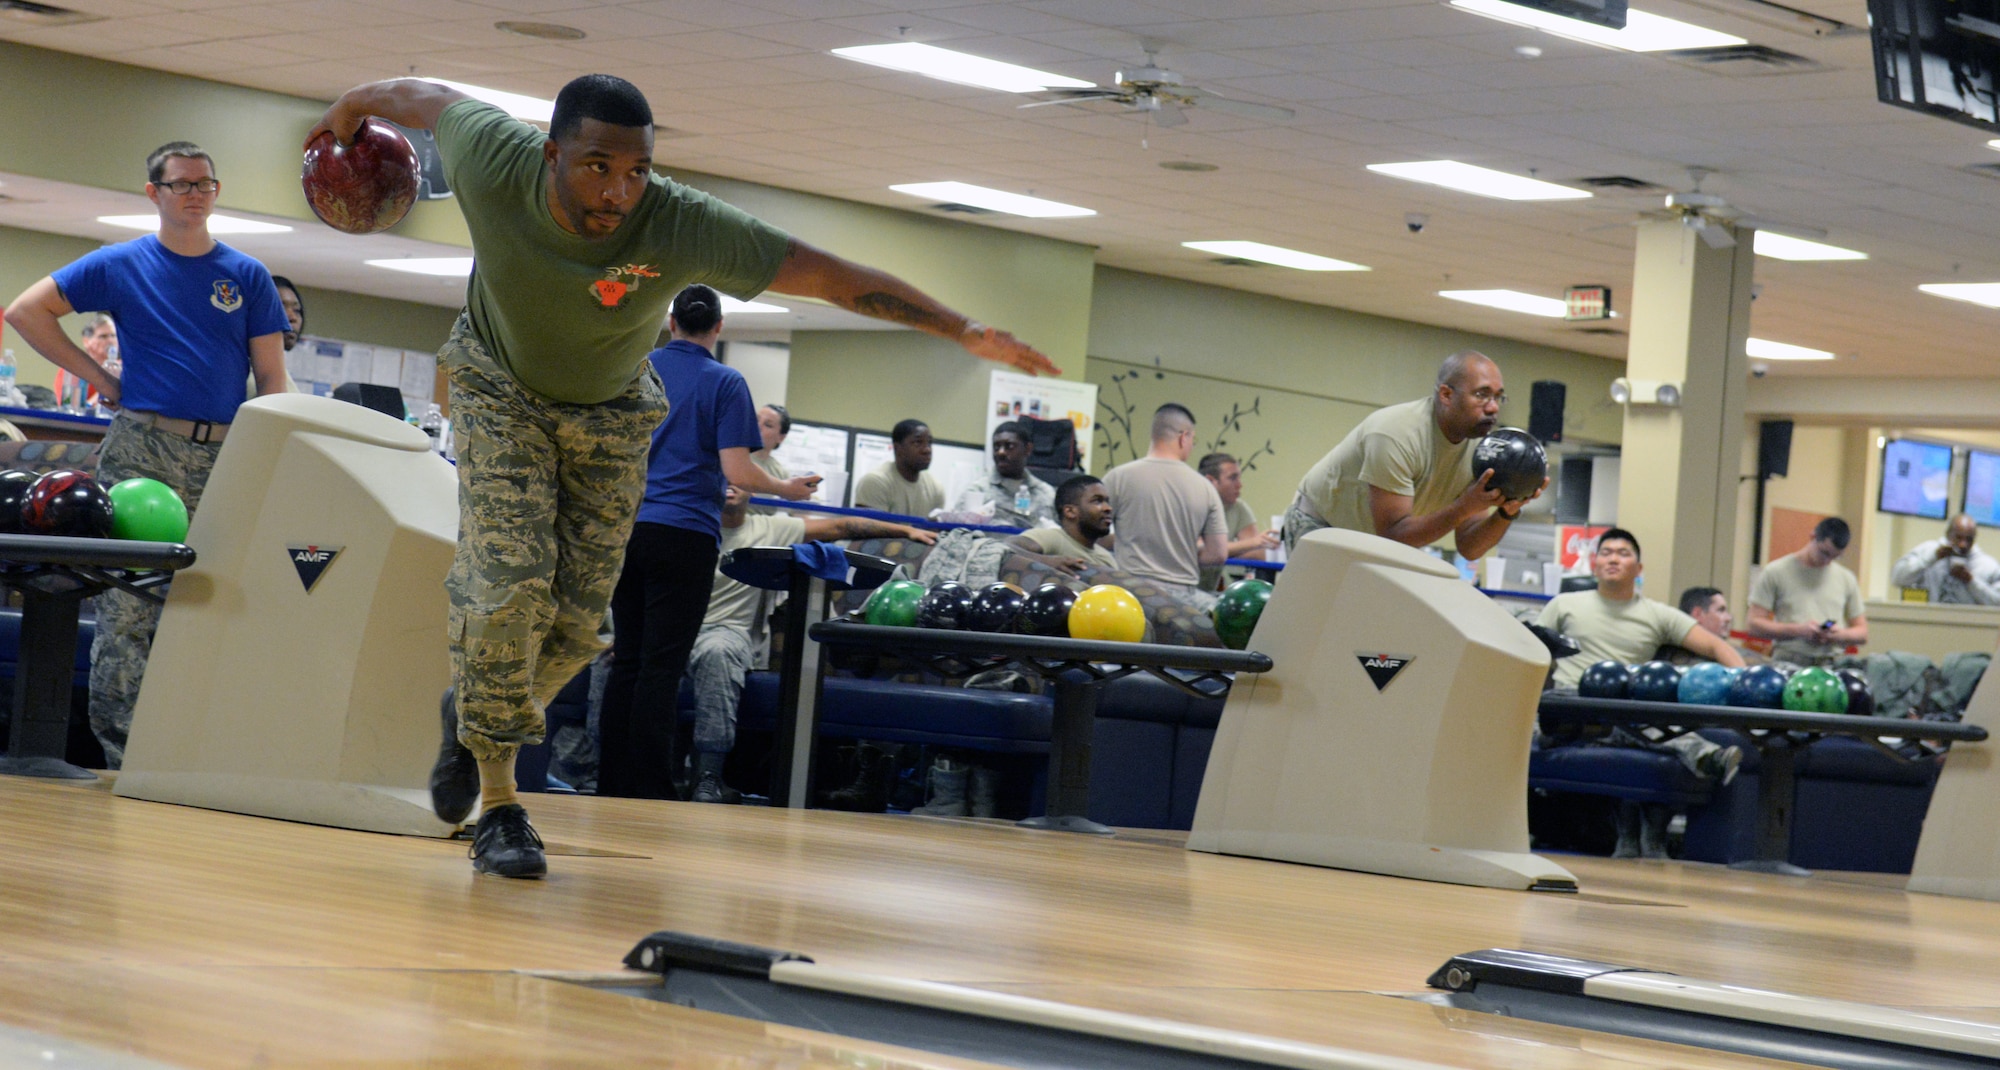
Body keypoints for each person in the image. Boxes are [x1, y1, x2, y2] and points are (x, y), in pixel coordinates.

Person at [310, 74, 1055, 879]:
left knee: (578, 626)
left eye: (637, 171)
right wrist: (348, 112)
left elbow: (825, 274)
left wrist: (959, 327)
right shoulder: (493, 155)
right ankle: (499, 802)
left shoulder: (677, 220)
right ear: (552, 153)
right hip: (500, 391)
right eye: (598, 167)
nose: (619, 192)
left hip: (611, 413)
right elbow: (417, 96)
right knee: (508, 584)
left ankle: (473, 712)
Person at [4, 141, 288, 767]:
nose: (195, 194)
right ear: (154, 193)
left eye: (205, 184)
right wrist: (102, 379)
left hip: (225, 456)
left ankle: (195, 753)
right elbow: (26, 311)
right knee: (129, 609)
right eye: (182, 184)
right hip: (142, 451)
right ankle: (124, 759)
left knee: (213, 602)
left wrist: (274, 457)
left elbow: (272, 379)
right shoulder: (121, 263)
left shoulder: (246, 276)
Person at [597, 285, 821, 801]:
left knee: (627, 658)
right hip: (686, 535)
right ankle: (650, 788)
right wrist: (786, 488)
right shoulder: (725, 382)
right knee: (661, 665)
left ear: (670, 322)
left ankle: (611, 781)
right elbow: (737, 471)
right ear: (719, 328)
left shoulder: (638, 368)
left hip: (628, 529)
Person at [686, 484, 935, 803]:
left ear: (752, 486)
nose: (730, 484)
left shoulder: (771, 529)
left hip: (722, 633)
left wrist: (904, 529)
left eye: (737, 477)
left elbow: (842, 526)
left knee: (717, 653)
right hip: (674, 628)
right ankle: (624, 769)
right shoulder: (688, 526)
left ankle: (708, 775)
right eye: (723, 476)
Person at [1536, 528, 1744, 854]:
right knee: (1623, 722)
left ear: (1639, 568)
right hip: (1570, 706)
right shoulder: (1564, 604)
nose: (1613, 559)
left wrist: (1743, 685)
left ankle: (1638, 834)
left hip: (1624, 710)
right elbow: (1532, 649)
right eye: (1606, 553)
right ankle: (1705, 755)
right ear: (1594, 564)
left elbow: (1717, 646)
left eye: (1623, 553)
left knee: (1630, 720)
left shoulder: (1656, 614)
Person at [1284, 351, 1539, 559]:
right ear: (1446, 395)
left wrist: (1507, 512)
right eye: (1482, 395)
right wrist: (1464, 507)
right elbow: (1394, 534)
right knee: (1323, 608)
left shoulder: (1483, 450)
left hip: (1379, 539)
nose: (1493, 407)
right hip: (1324, 524)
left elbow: (1469, 548)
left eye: (1498, 397)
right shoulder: (1395, 433)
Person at [1102, 404, 1228, 597]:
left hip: (1129, 590)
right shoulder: (1205, 488)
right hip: (1181, 595)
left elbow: (1095, 534)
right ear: (1183, 437)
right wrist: (1182, 549)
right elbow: (1218, 554)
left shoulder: (1117, 478)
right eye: (1193, 440)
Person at [1746, 517, 1867, 666]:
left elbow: (1862, 633)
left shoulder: (1846, 578)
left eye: (1835, 557)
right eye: (1824, 553)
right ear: (1813, 536)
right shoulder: (1775, 572)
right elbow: (1753, 625)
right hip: (1790, 659)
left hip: (1831, 661)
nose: (1827, 561)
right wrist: (1798, 631)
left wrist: (1838, 634)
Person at [1197, 451, 1277, 591]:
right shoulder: (1192, 507)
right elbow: (1201, 550)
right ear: (1210, 481)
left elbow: (1258, 553)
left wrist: (1228, 550)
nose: (1240, 485)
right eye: (1232, 478)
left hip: (1211, 590)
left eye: (1239, 478)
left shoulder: (1238, 507)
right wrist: (1251, 543)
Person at [952, 420, 1055, 527]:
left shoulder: (1046, 494)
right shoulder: (977, 492)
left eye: (1009, 446)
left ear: (1028, 449)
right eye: (996, 447)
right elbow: (956, 531)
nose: (1001, 452)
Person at [1008, 474, 1116, 573]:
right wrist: (1045, 561)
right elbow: (1007, 546)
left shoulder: (1106, 558)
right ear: (1070, 511)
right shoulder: (1053, 537)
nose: (1108, 508)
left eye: (1107, 501)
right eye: (1097, 501)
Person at [1891, 513, 2000, 605]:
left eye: (1969, 539)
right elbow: (1897, 579)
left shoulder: (1988, 566)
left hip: (1968, 623)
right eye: (1958, 537)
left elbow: (1997, 603)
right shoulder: (1927, 551)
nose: (1963, 544)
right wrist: (1931, 558)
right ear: (1948, 534)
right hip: (1927, 620)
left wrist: (1971, 582)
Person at [852, 418, 944, 517]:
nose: (927, 450)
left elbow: (936, 526)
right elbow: (867, 525)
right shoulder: (875, 482)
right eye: (917, 442)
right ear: (897, 448)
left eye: (929, 442)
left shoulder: (935, 488)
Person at [55, 314, 116, 411]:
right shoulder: (73, 370)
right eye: (103, 336)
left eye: (113, 335)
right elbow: (68, 408)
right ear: (86, 341)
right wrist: (103, 394)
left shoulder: (123, 369)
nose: (110, 340)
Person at [751, 403, 790, 483]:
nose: (758, 426)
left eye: (768, 425)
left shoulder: (781, 474)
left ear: (781, 438)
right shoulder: (734, 459)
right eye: (756, 420)